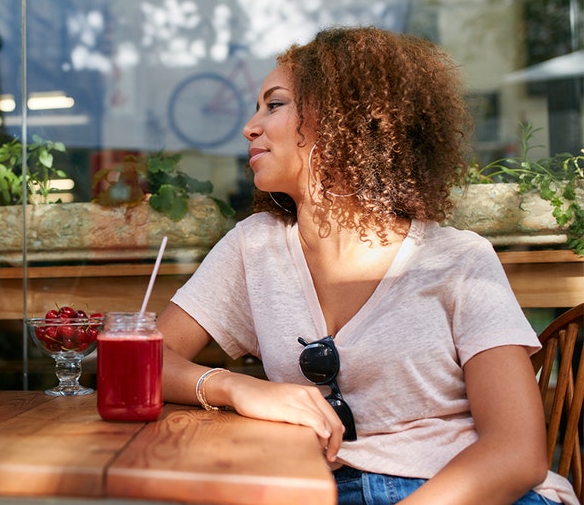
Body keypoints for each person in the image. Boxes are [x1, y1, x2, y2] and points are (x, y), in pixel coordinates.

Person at [157, 26, 577, 505]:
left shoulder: (458, 260)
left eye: (274, 105)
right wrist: (236, 387)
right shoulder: (255, 248)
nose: (250, 127)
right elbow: (138, 364)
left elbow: (516, 453)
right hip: (313, 489)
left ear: (343, 120)